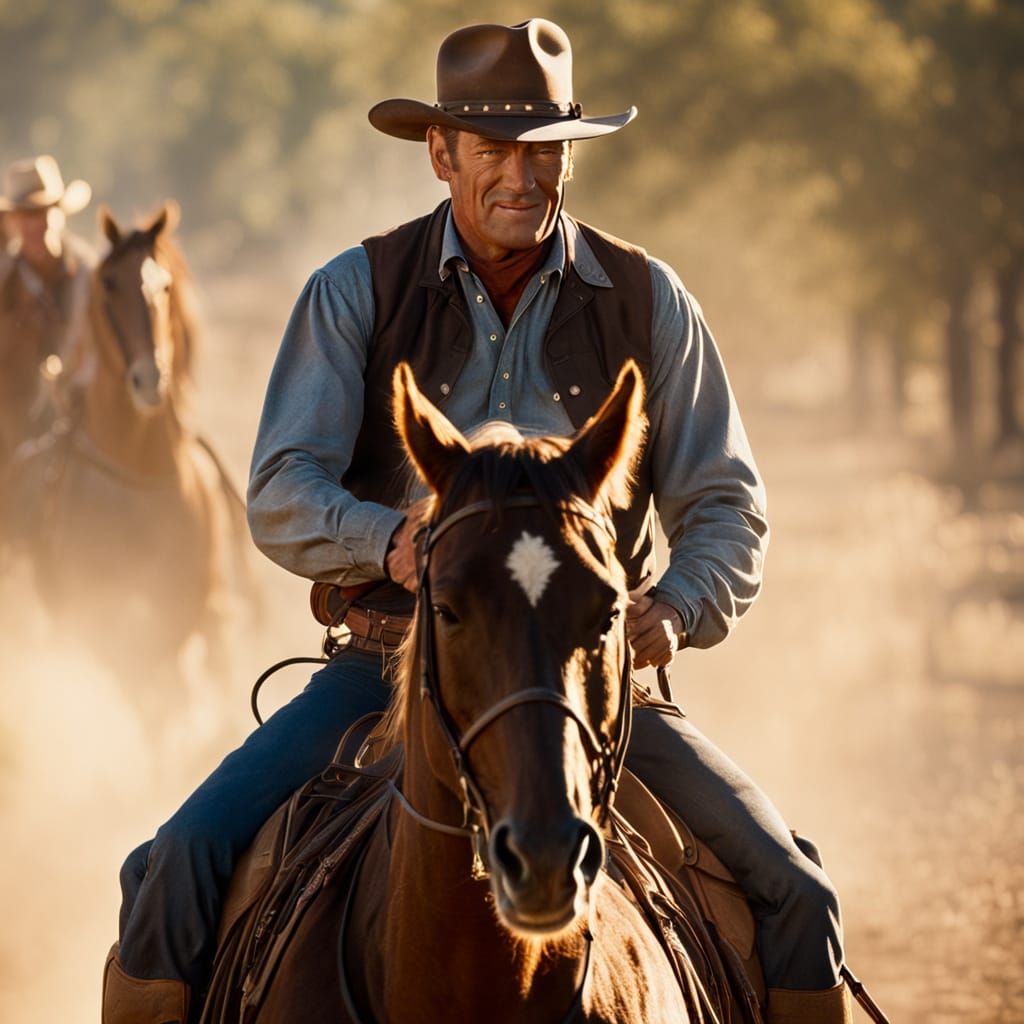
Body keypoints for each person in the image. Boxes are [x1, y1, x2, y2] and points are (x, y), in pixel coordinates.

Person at [104, 19, 851, 1024]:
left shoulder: (647, 300)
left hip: (592, 685)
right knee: (174, 871)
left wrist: (670, 610)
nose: (521, 177)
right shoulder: (353, 292)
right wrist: (392, 542)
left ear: (568, 157)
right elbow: (282, 485)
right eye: (494, 150)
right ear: (441, 152)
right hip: (383, 668)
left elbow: (725, 504)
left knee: (797, 896)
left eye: (544, 151)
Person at [0, 154, 95, 466]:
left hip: (84, 414)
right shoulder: (6, 279)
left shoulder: (89, 275)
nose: (33, 226)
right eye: (23, 216)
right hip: (15, 419)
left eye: (40, 214)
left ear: (58, 215)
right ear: (11, 222)